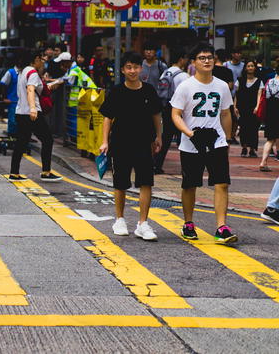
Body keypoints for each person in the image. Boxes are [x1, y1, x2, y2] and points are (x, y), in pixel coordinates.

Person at [170, 43, 237, 244]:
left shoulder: (222, 85)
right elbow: (176, 114)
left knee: (222, 183)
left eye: (209, 57)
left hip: (216, 141)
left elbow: (226, 113)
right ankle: (188, 223)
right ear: (193, 62)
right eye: (202, 58)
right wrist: (190, 133)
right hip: (192, 143)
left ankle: (221, 226)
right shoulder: (186, 86)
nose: (206, 61)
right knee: (190, 185)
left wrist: (226, 139)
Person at [99, 52, 162, 241]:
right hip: (120, 142)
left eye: (135, 67)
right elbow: (107, 118)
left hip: (144, 142)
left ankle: (143, 224)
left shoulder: (149, 91)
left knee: (146, 182)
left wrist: (158, 136)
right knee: (120, 183)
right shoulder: (117, 91)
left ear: (141, 68)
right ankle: (119, 219)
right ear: (122, 70)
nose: (132, 71)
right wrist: (105, 141)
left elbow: (156, 115)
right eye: (128, 67)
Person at [8, 49, 60, 182]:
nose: (43, 63)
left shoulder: (22, 72)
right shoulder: (32, 73)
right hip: (32, 113)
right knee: (47, 139)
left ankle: (14, 173)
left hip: (21, 112)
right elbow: (30, 89)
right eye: (42, 60)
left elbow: (34, 89)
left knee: (21, 142)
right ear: (36, 59)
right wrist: (33, 109)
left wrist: (53, 84)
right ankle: (46, 172)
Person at [153, 51, 189, 174]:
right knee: (184, 138)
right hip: (178, 110)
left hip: (166, 108)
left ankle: (156, 165)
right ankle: (186, 167)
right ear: (181, 59)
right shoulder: (183, 76)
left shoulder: (166, 72)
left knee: (166, 138)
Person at [234, 60, 262, 158]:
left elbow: (259, 95)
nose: (250, 68)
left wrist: (257, 107)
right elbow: (236, 95)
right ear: (245, 68)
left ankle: (252, 149)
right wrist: (235, 106)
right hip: (242, 107)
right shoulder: (240, 80)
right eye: (248, 66)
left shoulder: (259, 81)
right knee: (243, 128)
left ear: (255, 68)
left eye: (252, 66)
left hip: (253, 108)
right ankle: (244, 147)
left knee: (253, 129)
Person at [256, 70, 279, 172]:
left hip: (270, 112)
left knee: (270, 139)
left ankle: (263, 162)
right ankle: (263, 162)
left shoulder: (269, 81)